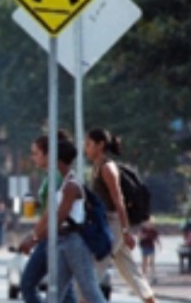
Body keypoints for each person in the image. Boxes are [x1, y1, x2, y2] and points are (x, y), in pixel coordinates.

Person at [19, 139, 106, 303]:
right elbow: (52, 213)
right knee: (55, 292)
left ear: (57, 159)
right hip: (62, 241)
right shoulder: (63, 183)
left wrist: (34, 239)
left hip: (75, 242)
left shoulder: (71, 186)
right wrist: (34, 236)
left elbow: (59, 217)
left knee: (89, 289)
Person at [85, 128, 156, 303]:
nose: (85, 148)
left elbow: (119, 201)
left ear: (100, 145)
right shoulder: (96, 167)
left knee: (91, 272)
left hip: (112, 225)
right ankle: (150, 300)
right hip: (106, 224)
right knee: (130, 271)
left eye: (88, 144)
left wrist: (125, 231)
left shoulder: (108, 168)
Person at [18, 131, 76, 303]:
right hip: (51, 236)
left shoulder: (56, 176)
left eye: (36, 153)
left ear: (48, 154)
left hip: (53, 237)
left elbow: (51, 211)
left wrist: (33, 237)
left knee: (28, 284)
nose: (33, 157)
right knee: (64, 290)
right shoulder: (50, 176)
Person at [138, 219, 161, 284]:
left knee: (152, 262)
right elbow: (139, 237)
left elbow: (157, 238)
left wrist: (159, 245)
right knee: (144, 263)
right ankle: (143, 276)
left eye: (151, 224)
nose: (150, 225)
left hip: (151, 247)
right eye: (149, 224)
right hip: (144, 247)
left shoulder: (154, 231)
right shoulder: (143, 230)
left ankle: (153, 276)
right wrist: (143, 237)